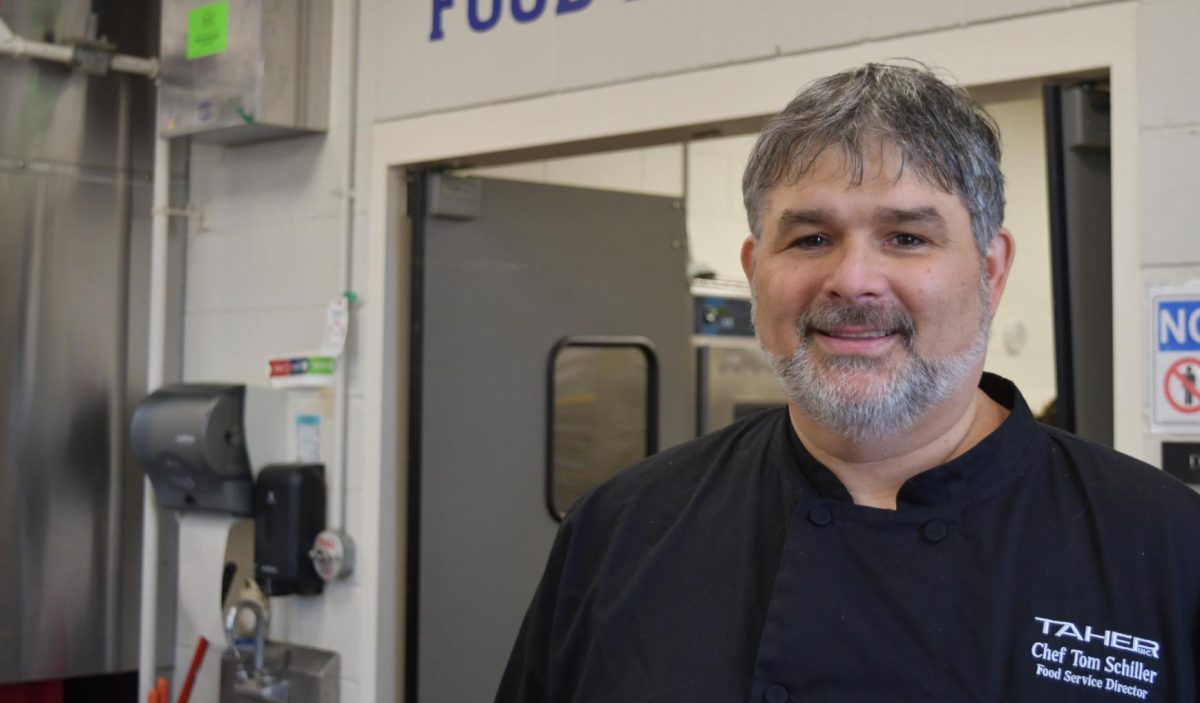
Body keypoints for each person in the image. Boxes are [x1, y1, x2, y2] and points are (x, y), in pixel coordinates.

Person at [496, 62, 1200, 702]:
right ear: (754, 269)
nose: (854, 280)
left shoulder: (1165, 546)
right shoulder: (620, 530)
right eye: (810, 238)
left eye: (906, 237)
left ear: (991, 269)